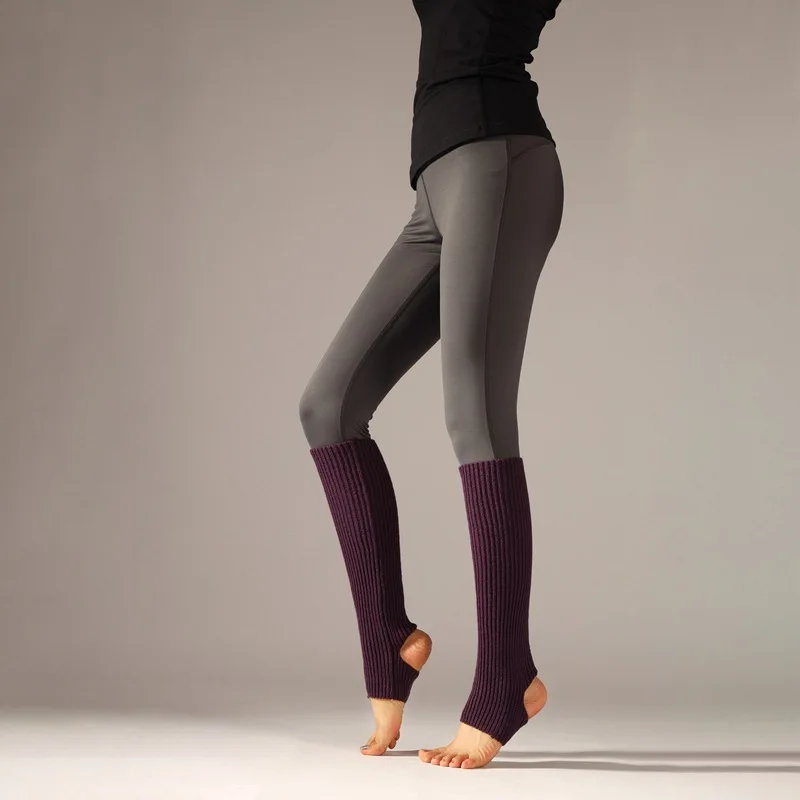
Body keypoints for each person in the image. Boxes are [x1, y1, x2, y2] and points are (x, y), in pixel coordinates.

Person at [298, 0, 564, 770]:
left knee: (474, 413)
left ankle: (507, 677)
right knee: (329, 405)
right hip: (437, 178)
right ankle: (388, 644)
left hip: (498, 156)